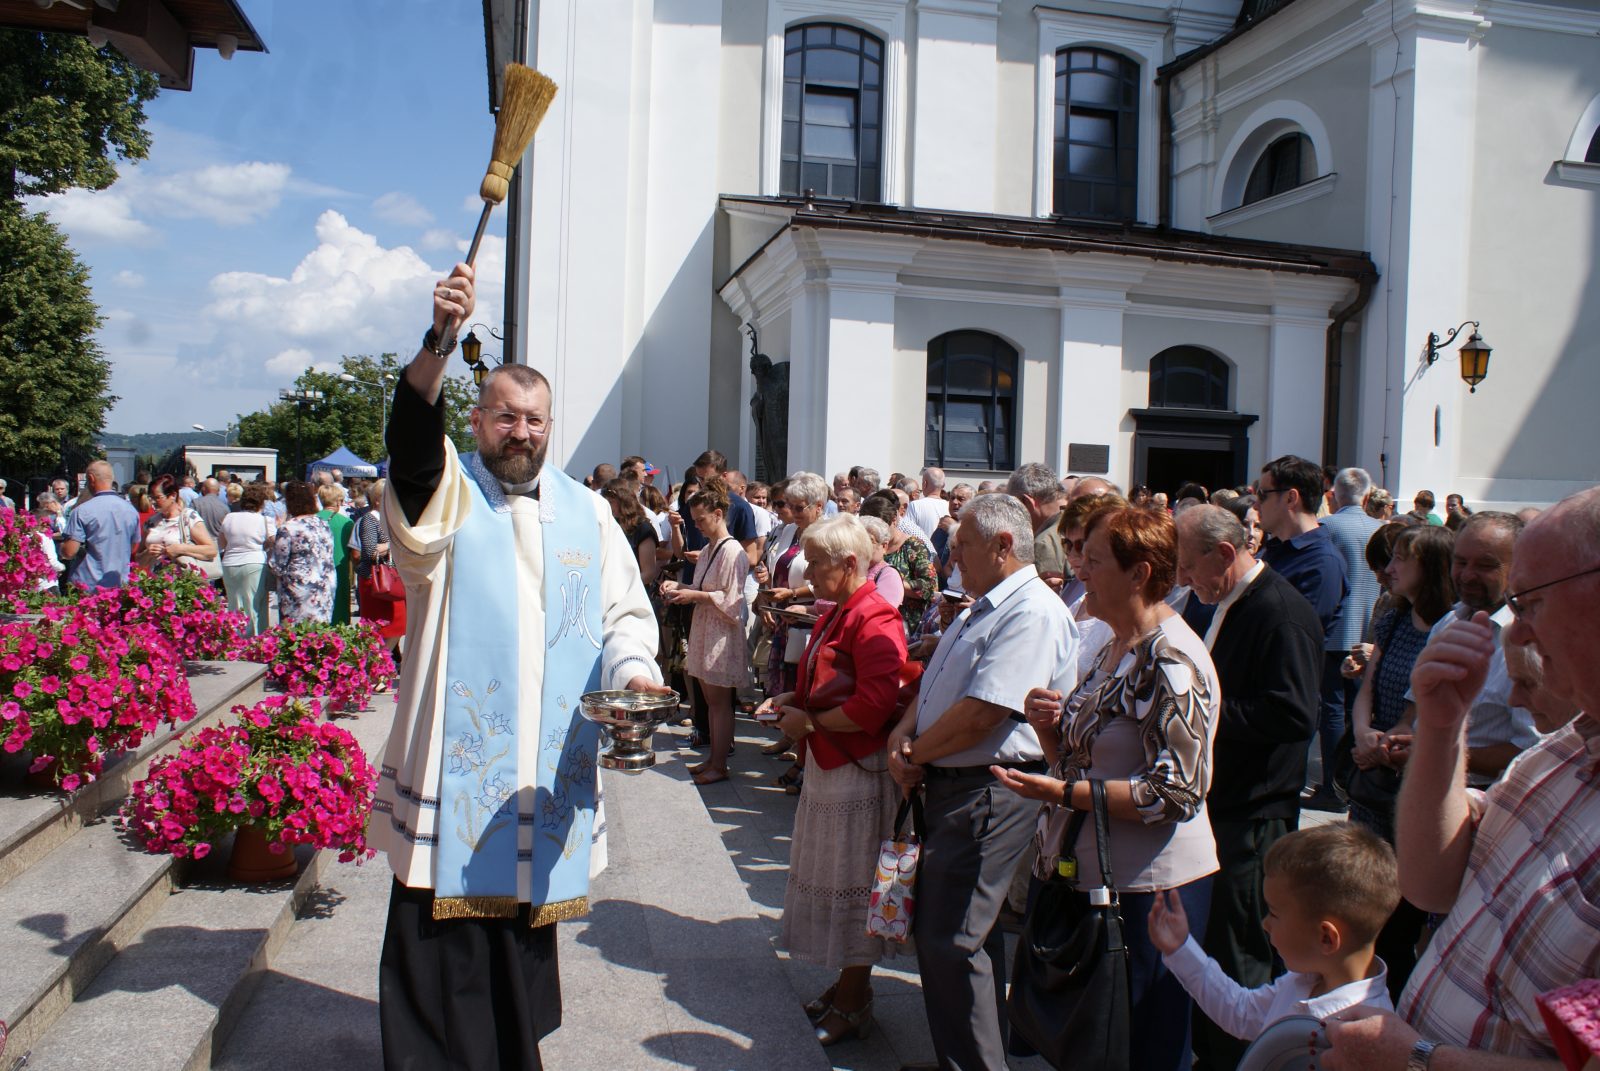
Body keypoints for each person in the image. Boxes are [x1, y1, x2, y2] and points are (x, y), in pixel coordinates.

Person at [374, 263, 665, 1070]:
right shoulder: (447, 494)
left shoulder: (586, 508)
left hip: (544, 764)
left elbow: (622, 612)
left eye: (536, 419)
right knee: (444, 931)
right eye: (507, 416)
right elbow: (408, 443)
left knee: (521, 931)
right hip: (458, 764)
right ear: (477, 420)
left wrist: (635, 670)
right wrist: (439, 339)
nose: (523, 432)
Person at [1323, 486, 1600, 1069]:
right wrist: (1443, 725)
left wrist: (1417, 1056)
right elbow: (1430, 885)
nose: (1516, 632)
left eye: (1529, 604)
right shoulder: (1564, 753)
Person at [997, 506, 1218, 1071]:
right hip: (1089, 878)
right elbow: (1083, 762)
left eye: (1093, 560)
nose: (1079, 570)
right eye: (1079, 556)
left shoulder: (1171, 658)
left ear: (1139, 573)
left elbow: (1176, 794)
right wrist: (1051, 735)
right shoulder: (1109, 642)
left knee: (1138, 1048)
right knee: (1089, 1046)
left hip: (1148, 895)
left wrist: (1060, 794)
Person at [887, 492, 1079, 1071]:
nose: (952, 560)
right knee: (966, 936)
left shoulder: (1032, 612)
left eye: (961, 547)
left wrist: (915, 750)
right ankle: (970, 1057)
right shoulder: (983, 605)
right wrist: (904, 734)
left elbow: (988, 710)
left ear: (1002, 545)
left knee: (955, 940)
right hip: (959, 784)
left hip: (989, 789)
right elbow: (938, 681)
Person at [1175, 505, 1324, 1071]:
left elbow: (1291, 715)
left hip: (1254, 811)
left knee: (1242, 949)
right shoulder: (1216, 601)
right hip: (1220, 804)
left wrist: (1199, 716)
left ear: (1226, 553)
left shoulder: (1280, 612)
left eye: (1190, 566)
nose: (1185, 580)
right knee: (1215, 941)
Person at [762, 515, 909, 1046]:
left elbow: (873, 705)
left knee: (856, 888)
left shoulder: (874, 614)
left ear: (851, 565)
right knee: (839, 882)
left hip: (859, 771)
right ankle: (847, 986)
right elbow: (826, 683)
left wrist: (812, 722)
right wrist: (792, 702)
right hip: (836, 765)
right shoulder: (844, 607)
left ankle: (855, 999)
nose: (808, 571)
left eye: (817, 563)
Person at [1149, 823, 1398, 1043]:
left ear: (1326, 938)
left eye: (1275, 914)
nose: (1265, 924)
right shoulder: (1304, 979)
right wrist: (1181, 949)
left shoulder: (1366, 1037)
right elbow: (1242, 1013)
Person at [1402, 512, 1539, 788]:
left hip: (1479, 801)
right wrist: (1401, 734)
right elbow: (1417, 702)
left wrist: (1437, 749)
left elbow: (1532, 749)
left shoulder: (1529, 641)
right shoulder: (1449, 620)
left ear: (1518, 568)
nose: (1466, 575)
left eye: (1486, 565)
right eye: (1461, 562)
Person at [1348, 525, 1456, 840]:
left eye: (1399, 560)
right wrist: (1362, 733)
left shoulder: (1452, 627)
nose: (1389, 569)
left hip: (1416, 773)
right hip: (1375, 773)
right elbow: (1368, 688)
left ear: (1429, 567)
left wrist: (1384, 748)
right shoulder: (1393, 620)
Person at [1256, 455, 1348, 814]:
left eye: (1263, 495)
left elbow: (1296, 636)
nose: (1257, 503)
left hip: (1277, 703)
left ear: (1290, 498)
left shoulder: (1320, 561)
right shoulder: (1274, 550)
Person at [660, 480, 749, 786]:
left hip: (721, 634)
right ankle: (712, 758)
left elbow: (733, 600)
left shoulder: (732, 550)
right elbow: (703, 590)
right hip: (707, 628)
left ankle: (720, 763)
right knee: (711, 702)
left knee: (720, 703)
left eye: (700, 519)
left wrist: (692, 595)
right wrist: (678, 587)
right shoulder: (711, 548)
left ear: (719, 514)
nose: (696, 525)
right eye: (694, 520)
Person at [1311, 467, 1385, 810]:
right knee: (1359, 710)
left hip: (1335, 631)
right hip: (1368, 631)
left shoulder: (1326, 527)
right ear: (1367, 497)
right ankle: (1350, 780)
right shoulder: (1381, 529)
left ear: (1334, 495)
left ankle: (1333, 785)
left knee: (1331, 710)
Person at [1056, 491, 1124, 676]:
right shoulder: (1079, 600)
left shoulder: (1123, 615)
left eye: (1081, 546)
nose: (1071, 554)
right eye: (1067, 544)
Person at [860, 491, 937, 639]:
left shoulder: (913, 546)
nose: (877, 533)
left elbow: (930, 586)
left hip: (905, 626)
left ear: (894, 520)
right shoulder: (866, 544)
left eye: (881, 526)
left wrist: (890, 582)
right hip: (868, 621)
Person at [60, 461, 141, 589]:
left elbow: (69, 552)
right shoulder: (131, 511)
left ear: (91, 478)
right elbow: (134, 547)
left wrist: (62, 547)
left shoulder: (82, 511)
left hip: (88, 583)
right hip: (119, 583)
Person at [355, 478, 405, 679]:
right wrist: (393, 545)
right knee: (384, 628)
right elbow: (368, 551)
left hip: (389, 581)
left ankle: (379, 668)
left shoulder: (388, 518)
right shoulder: (370, 519)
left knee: (398, 626)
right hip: (375, 581)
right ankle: (377, 672)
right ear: (378, 499)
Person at [267, 480, 336, 624]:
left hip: (299, 591)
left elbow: (277, 566)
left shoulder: (288, 528)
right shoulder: (323, 524)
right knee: (320, 635)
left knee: (298, 637)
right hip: (324, 587)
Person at [218, 483, 275, 636]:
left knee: (234, 603)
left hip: (230, 562)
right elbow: (272, 541)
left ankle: (235, 638)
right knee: (253, 604)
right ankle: (254, 639)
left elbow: (222, 543)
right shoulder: (264, 520)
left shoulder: (229, 517)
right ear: (261, 502)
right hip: (254, 561)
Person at [136, 473, 219, 576]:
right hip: (155, 584)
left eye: (157, 497)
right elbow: (138, 561)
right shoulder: (151, 522)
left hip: (181, 585)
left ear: (173, 495)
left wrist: (180, 549)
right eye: (151, 497)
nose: (153, 502)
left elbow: (211, 550)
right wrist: (147, 553)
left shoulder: (188, 517)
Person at [1007, 461, 1067, 588]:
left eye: (1013, 507)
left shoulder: (1044, 543)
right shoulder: (1074, 524)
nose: (1012, 515)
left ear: (1027, 502)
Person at [600, 478, 659, 587]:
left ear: (624, 501)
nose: (608, 506)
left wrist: (622, 587)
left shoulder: (643, 528)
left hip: (634, 593)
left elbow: (649, 573)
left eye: (611, 502)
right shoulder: (610, 525)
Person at [316, 483, 354, 625]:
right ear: (338, 501)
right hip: (339, 570)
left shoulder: (312, 520)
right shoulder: (346, 523)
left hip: (317, 572)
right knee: (339, 615)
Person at [857, 516, 904, 612]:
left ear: (884, 546)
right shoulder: (851, 569)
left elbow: (879, 612)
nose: (863, 546)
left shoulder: (889, 575)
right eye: (859, 540)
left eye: (870, 541)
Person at [906, 465, 949, 538]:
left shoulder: (915, 505)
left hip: (922, 549)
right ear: (943, 485)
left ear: (924, 484)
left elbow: (907, 533)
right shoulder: (950, 506)